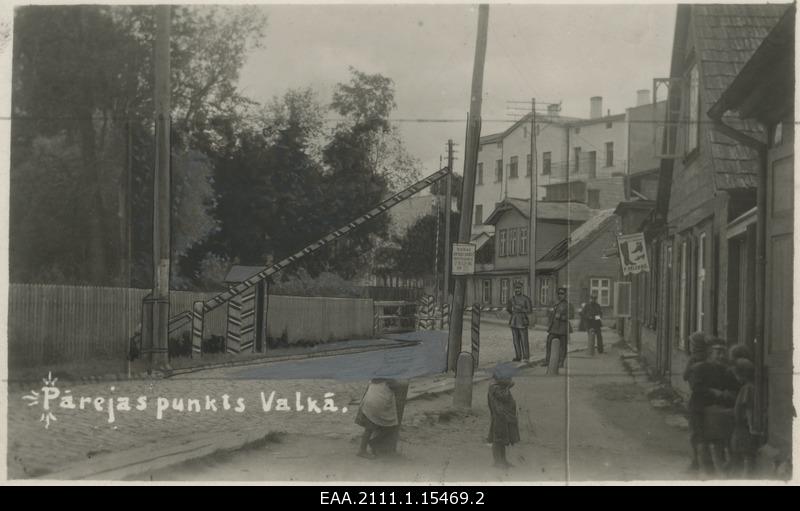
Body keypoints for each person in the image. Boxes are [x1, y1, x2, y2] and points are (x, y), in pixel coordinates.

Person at [355, 378, 400, 459]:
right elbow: (397, 386)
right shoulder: (390, 380)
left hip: (368, 403)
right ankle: (365, 448)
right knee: (391, 425)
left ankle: (365, 447)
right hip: (377, 405)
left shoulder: (374, 379)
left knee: (368, 429)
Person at [487, 363, 520, 469]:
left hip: (504, 417)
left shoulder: (499, 386)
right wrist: (508, 386)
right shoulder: (494, 388)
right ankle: (498, 462)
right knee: (498, 440)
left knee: (503, 440)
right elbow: (504, 397)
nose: (510, 379)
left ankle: (503, 460)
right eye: (508, 378)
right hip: (499, 417)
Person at [729, 359, 758, 477]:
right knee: (740, 452)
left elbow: (748, 409)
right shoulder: (750, 387)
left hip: (744, 427)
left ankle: (744, 478)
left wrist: (751, 426)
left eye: (736, 375)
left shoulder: (747, 388)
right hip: (742, 426)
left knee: (744, 453)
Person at [543, 287, 570, 368]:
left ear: (565, 294)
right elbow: (549, 312)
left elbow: (571, 315)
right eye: (559, 293)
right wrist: (549, 312)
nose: (560, 295)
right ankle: (548, 361)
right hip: (553, 327)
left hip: (562, 328)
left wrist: (562, 317)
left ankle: (561, 362)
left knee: (563, 346)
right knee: (549, 343)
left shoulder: (567, 305)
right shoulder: (554, 303)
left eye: (562, 293)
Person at [506, 281, 533, 362]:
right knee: (515, 340)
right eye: (516, 288)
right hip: (514, 321)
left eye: (519, 288)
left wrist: (520, 308)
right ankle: (518, 356)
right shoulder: (512, 299)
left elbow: (529, 310)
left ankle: (526, 357)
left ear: (522, 289)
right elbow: (508, 309)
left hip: (522, 321)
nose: (517, 289)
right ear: (514, 289)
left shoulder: (526, 299)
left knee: (524, 340)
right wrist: (513, 311)